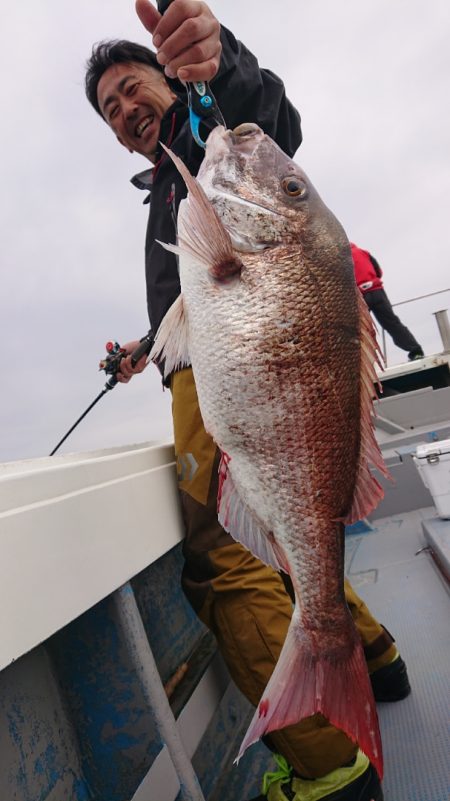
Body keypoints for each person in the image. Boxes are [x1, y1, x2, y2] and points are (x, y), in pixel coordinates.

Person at [84, 3, 410, 799]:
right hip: (236, 361)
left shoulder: (211, 136)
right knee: (299, 525)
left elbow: (267, 117)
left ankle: (329, 765)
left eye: (131, 87)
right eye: (109, 108)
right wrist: (145, 347)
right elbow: (202, 294)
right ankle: (375, 657)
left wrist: (215, 53)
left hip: (231, 375)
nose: (125, 110)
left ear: (167, 74)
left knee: (223, 558)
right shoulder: (171, 183)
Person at [351, 242, 424, 361]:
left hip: (359, 297)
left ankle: (365, 362)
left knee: (358, 329)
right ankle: (415, 351)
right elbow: (379, 272)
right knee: (392, 322)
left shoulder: (341, 257)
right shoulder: (364, 252)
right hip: (377, 292)